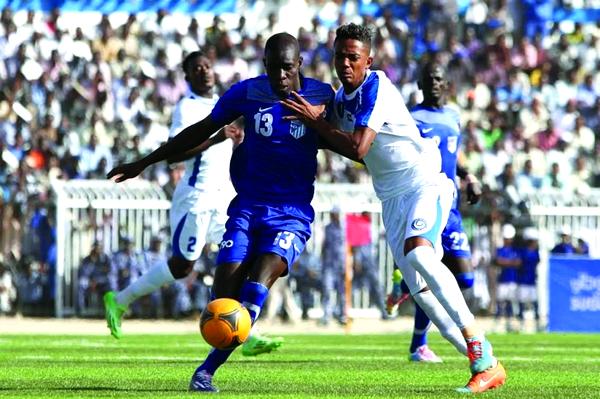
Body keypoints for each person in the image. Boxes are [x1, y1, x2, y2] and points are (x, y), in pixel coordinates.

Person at [281, 23, 505, 393]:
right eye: (340, 56)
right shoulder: (341, 100)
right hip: (392, 200)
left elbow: (356, 149)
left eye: (354, 57)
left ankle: (479, 344)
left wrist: (317, 123)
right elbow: (330, 136)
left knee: (419, 257)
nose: (346, 63)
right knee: (421, 292)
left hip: (424, 183)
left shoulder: (377, 87)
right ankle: (486, 363)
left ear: (368, 60)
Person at [106, 33, 334, 392]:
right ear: (264, 66)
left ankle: (205, 372)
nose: (280, 77)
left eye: (287, 69)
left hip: (291, 214)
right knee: (221, 300)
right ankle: (235, 331)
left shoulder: (322, 97)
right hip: (246, 208)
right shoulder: (246, 93)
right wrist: (145, 162)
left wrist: (321, 122)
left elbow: (351, 139)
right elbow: (198, 130)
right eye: (273, 69)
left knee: (258, 283)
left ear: (300, 64)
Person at [103, 50, 280, 355]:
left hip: (222, 198)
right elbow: (174, 154)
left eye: (207, 66)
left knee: (242, 257)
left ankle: (246, 332)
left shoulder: (222, 103)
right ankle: (120, 300)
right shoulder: (187, 108)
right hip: (195, 198)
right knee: (183, 265)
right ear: (187, 77)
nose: (204, 71)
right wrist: (217, 138)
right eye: (196, 69)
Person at [387, 61, 481, 362]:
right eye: (428, 80)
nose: (434, 84)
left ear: (447, 84)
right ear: (420, 85)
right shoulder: (411, 117)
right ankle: (419, 344)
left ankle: (402, 284)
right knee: (429, 273)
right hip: (424, 200)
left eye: (439, 79)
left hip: (449, 204)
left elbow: (456, 153)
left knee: (465, 280)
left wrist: (469, 177)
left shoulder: (454, 116)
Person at [494, 224, 520, 332]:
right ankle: (499, 322)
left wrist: (506, 262)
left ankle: (509, 322)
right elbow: (498, 261)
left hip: (512, 279)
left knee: (509, 302)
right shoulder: (500, 250)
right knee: (500, 302)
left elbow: (518, 263)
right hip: (502, 279)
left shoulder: (515, 250)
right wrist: (510, 263)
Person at [518, 227, 541, 332]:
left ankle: (537, 324)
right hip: (524, 280)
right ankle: (522, 324)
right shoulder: (524, 252)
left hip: (531, 281)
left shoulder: (535, 252)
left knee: (534, 303)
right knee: (523, 304)